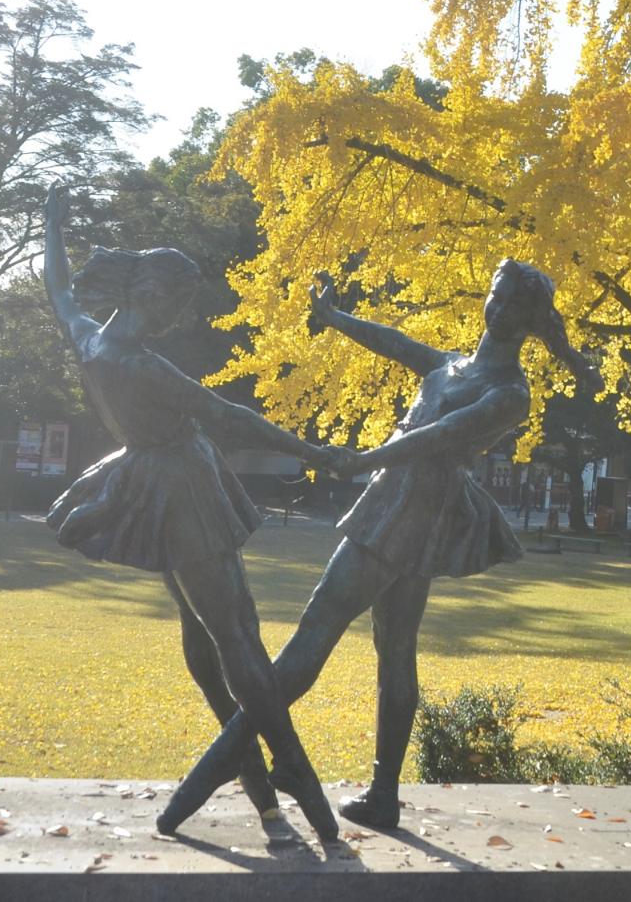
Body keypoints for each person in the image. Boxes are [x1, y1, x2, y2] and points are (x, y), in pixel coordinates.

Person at [156, 258, 597, 835]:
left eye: (514, 303)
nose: (499, 308)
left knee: (317, 629)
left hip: (412, 507)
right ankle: (381, 794)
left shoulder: (510, 392)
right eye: (497, 294)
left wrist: (361, 461)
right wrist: (335, 317)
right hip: (406, 501)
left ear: (532, 321)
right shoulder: (453, 365)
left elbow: (436, 438)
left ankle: (224, 769)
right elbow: (393, 342)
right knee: (395, 649)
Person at [38, 184, 342, 840]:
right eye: (180, 301)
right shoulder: (143, 365)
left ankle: (269, 805)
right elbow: (229, 415)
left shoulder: (89, 337)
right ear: (154, 295)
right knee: (235, 640)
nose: (183, 316)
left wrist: (51, 226)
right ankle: (289, 771)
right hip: (181, 487)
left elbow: (56, 286)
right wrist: (317, 451)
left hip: (148, 478)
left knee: (211, 646)